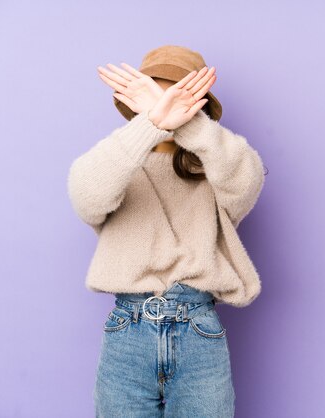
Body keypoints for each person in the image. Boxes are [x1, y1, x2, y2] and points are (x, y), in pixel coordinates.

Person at [67, 45, 266, 417]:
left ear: (199, 106)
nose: (166, 103)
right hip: (128, 331)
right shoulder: (118, 159)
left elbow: (247, 178)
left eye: (178, 95)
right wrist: (152, 122)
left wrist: (181, 121)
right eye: (155, 94)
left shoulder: (218, 165)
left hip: (198, 331)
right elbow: (87, 197)